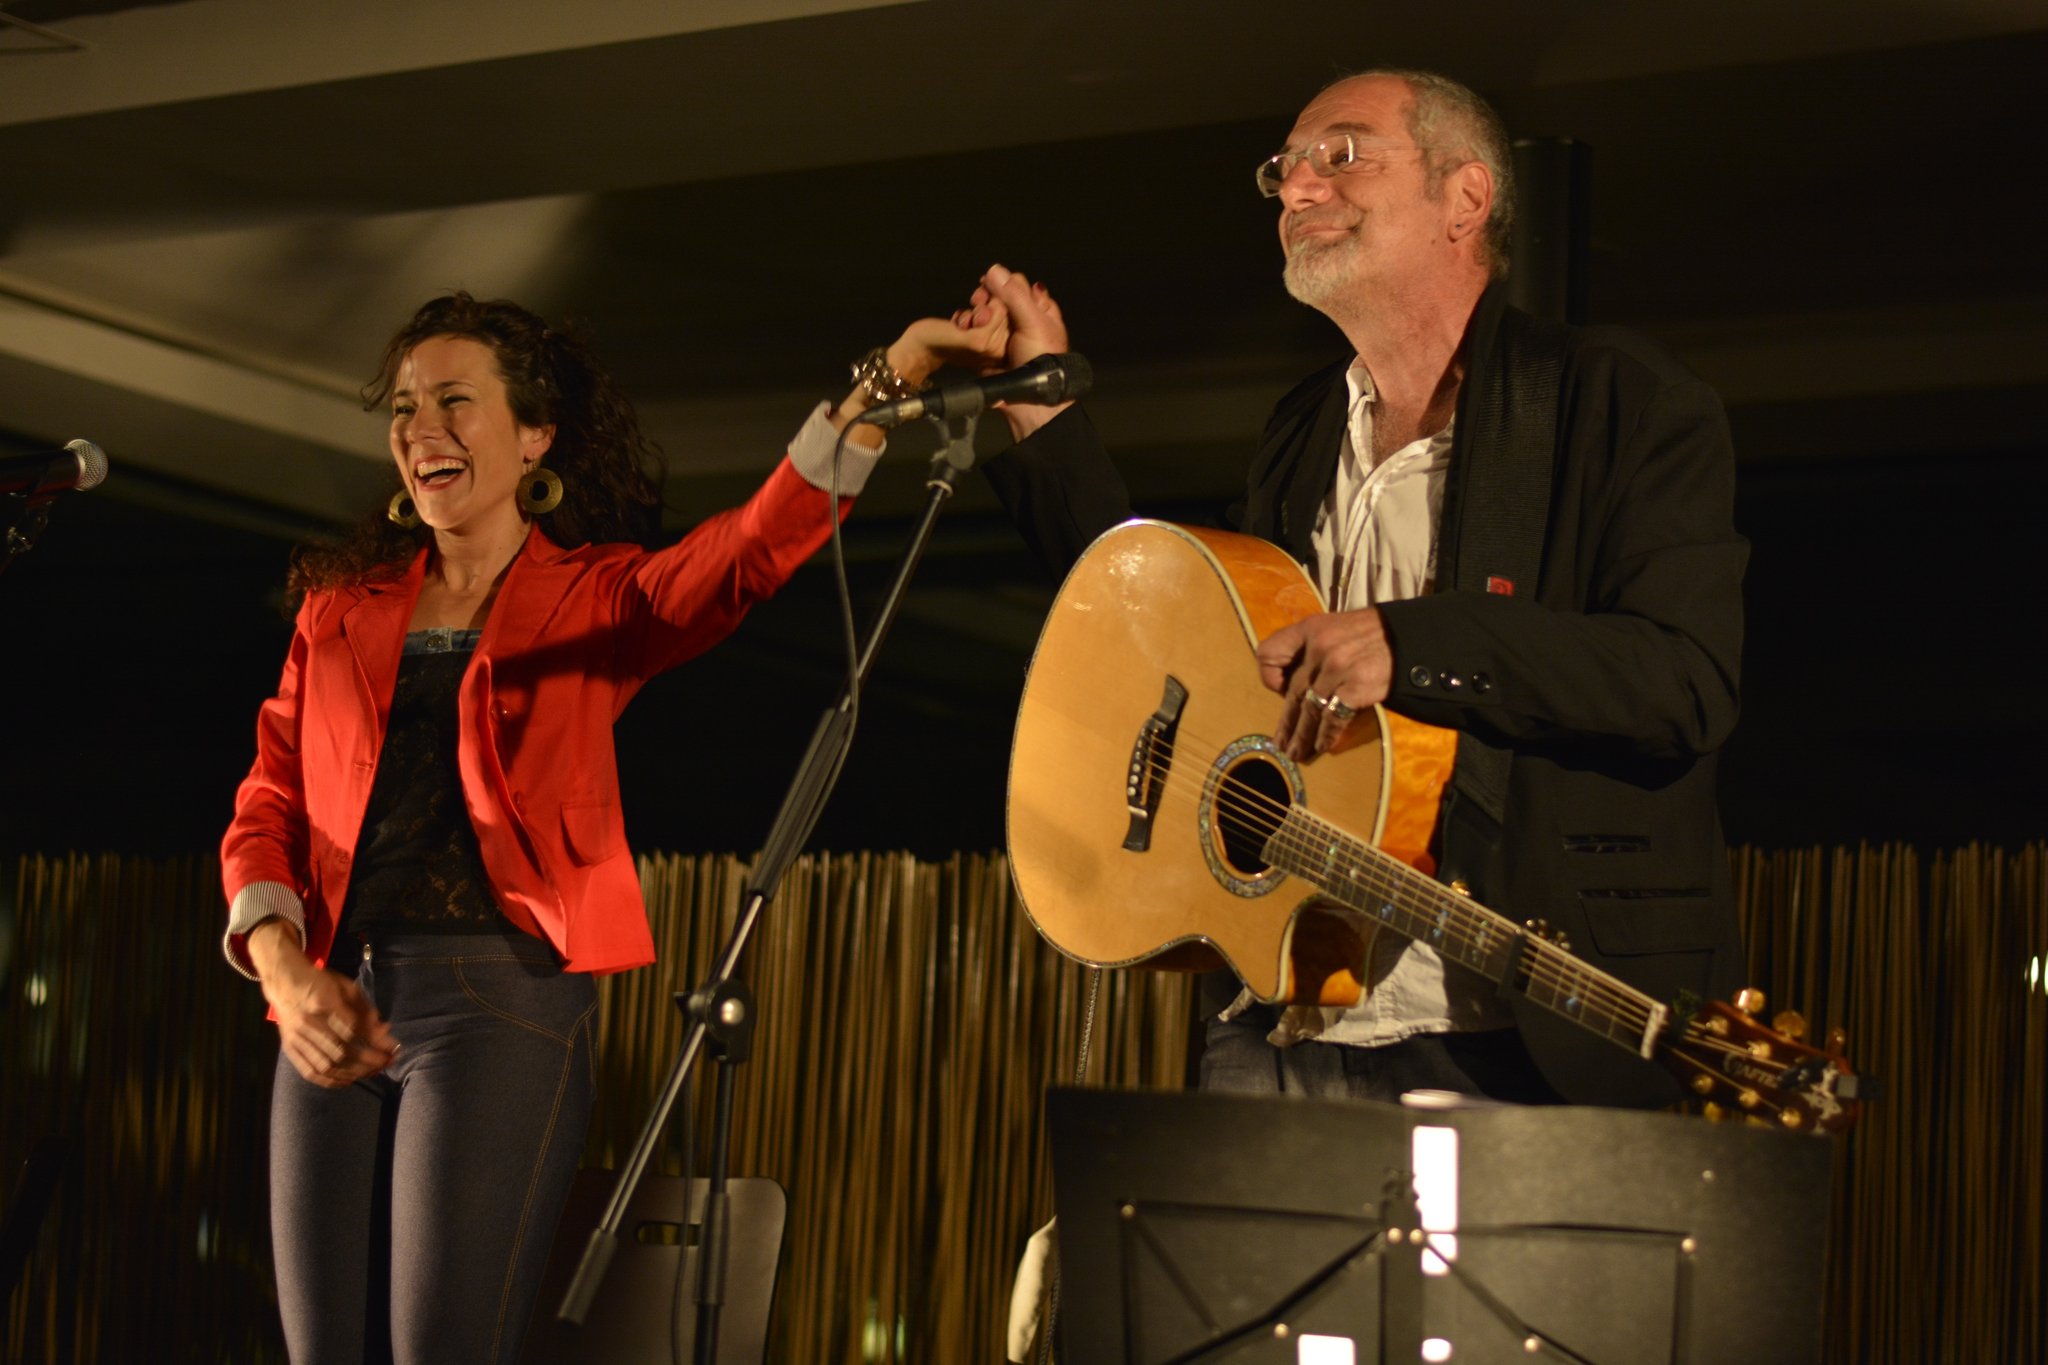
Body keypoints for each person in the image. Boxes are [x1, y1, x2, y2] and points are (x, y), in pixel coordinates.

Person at [218, 292, 998, 1364]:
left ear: (535, 435)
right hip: (330, 1002)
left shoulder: (594, 595)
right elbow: (267, 804)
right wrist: (283, 970)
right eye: (403, 407)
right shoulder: (337, 608)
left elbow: (748, 550)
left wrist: (888, 379)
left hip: (498, 1007)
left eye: (454, 401)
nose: (421, 428)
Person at [958, 68, 1748, 1110]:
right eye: (1283, 170)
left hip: (1502, 1039)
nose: (1296, 189)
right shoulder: (1303, 427)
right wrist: (1042, 417)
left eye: (1339, 155)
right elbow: (1178, 646)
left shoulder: (1618, 401)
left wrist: (1411, 642)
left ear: (1464, 197)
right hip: (1284, 1010)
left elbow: (1683, 683)